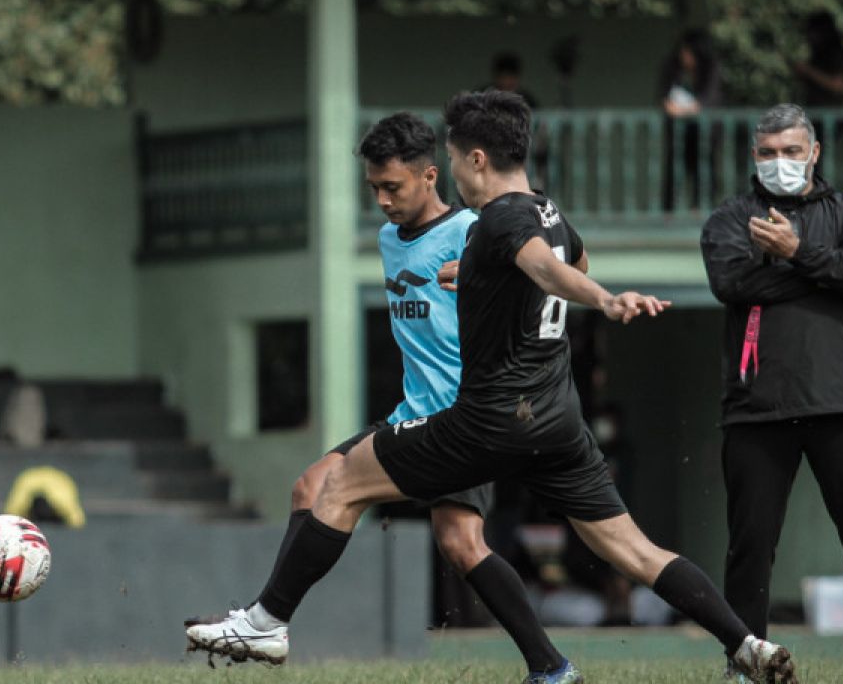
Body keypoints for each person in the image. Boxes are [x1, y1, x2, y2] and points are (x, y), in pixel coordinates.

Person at [186, 91, 797, 684]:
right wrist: (485, 277)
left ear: (472, 159)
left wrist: (606, 301)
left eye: (451, 159)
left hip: (484, 417)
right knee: (632, 549)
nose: (452, 172)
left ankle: (267, 622)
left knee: (341, 485)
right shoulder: (545, 211)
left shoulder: (498, 219)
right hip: (555, 417)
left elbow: (547, 269)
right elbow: (564, 262)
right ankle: (745, 644)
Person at [189, 111, 572, 676]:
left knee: (401, 518)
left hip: (462, 416)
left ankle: (267, 622)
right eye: (374, 190)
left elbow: (539, 276)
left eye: (393, 187)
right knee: (345, 498)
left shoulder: (475, 231)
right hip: (413, 413)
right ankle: (551, 667)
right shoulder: (389, 238)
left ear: (429, 177)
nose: (384, 201)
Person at [700, 103, 843, 682]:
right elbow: (730, 283)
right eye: (767, 153)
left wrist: (796, 253)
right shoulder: (730, 217)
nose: (779, 163)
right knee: (750, 549)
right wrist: (820, 271)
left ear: (814, 152)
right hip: (756, 408)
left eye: (791, 151)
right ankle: (745, 663)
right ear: (753, 156)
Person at [658, 29, 722, 210]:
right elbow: (664, 97)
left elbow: (709, 100)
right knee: (674, 169)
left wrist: (685, 110)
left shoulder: (711, 68)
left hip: (705, 132)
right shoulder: (673, 68)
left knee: (703, 171)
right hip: (680, 132)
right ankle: (668, 211)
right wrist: (674, 108)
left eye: (688, 52)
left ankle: (699, 209)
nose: (684, 56)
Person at [792, 11, 843, 108]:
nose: (809, 36)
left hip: (832, 115)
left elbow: (837, 85)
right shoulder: (817, 54)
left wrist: (807, 70)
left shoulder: (837, 54)